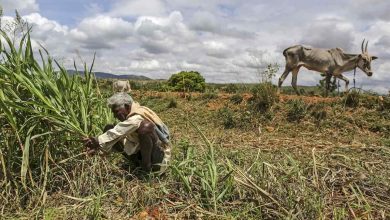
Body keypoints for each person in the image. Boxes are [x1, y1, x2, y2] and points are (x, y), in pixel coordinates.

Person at [83, 92, 171, 174]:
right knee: (109, 128)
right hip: (139, 152)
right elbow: (118, 131)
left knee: (145, 127)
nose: (115, 116)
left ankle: (147, 169)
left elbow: (122, 129)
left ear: (127, 107)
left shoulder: (138, 115)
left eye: (116, 111)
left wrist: (98, 140)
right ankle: (135, 163)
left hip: (158, 158)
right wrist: (99, 146)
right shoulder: (131, 114)